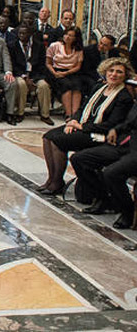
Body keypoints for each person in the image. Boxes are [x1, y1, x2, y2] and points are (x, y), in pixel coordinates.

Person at [41, 58, 135, 196]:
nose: (114, 74)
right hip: (83, 125)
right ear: (105, 72)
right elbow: (82, 108)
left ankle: (57, 182)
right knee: (48, 137)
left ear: (125, 76)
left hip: (100, 134)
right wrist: (73, 120)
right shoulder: (98, 87)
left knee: (59, 140)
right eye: (111, 71)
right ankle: (51, 179)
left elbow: (110, 125)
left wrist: (81, 127)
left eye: (119, 72)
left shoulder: (123, 97)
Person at [70, 75, 137, 229]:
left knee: (112, 173)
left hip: (134, 151)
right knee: (79, 159)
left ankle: (127, 211)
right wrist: (115, 129)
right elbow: (129, 123)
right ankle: (104, 197)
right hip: (123, 145)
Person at [9, 24, 53, 126]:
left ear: (30, 34)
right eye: (20, 33)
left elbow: (42, 64)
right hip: (19, 74)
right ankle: (20, 113)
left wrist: (34, 78)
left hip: (35, 74)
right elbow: (12, 64)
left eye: (24, 33)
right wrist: (24, 76)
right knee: (21, 85)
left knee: (44, 86)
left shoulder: (39, 45)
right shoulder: (12, 45)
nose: (21, 35)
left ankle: (45, 115)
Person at [46, 26, 86, 121]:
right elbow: (48, 63)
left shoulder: (78, 49)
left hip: (71, 72)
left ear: (76, 38)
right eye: (66, 34)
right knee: (66, 85)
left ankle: (75, 115)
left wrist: (66, 73)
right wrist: (55, 73)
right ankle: (68, 114)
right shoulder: (55, 46)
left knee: (77, 85)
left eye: (71, 36)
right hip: (55, 71)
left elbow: (78, 66)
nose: (67, 37)